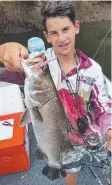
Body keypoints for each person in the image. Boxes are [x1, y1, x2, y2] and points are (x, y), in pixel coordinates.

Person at [0, 2, 111, 185]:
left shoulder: (93, 70)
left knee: (110, 164)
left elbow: (103, 105)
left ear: (76, 27)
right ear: (46, 36)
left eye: (65, 29)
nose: (61, 38)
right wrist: (4, 49)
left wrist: (109, 129)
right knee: (69, 170)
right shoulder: (38, 65)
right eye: (54, 33)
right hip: (63, 139)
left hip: (93, 134)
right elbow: (5, 69)